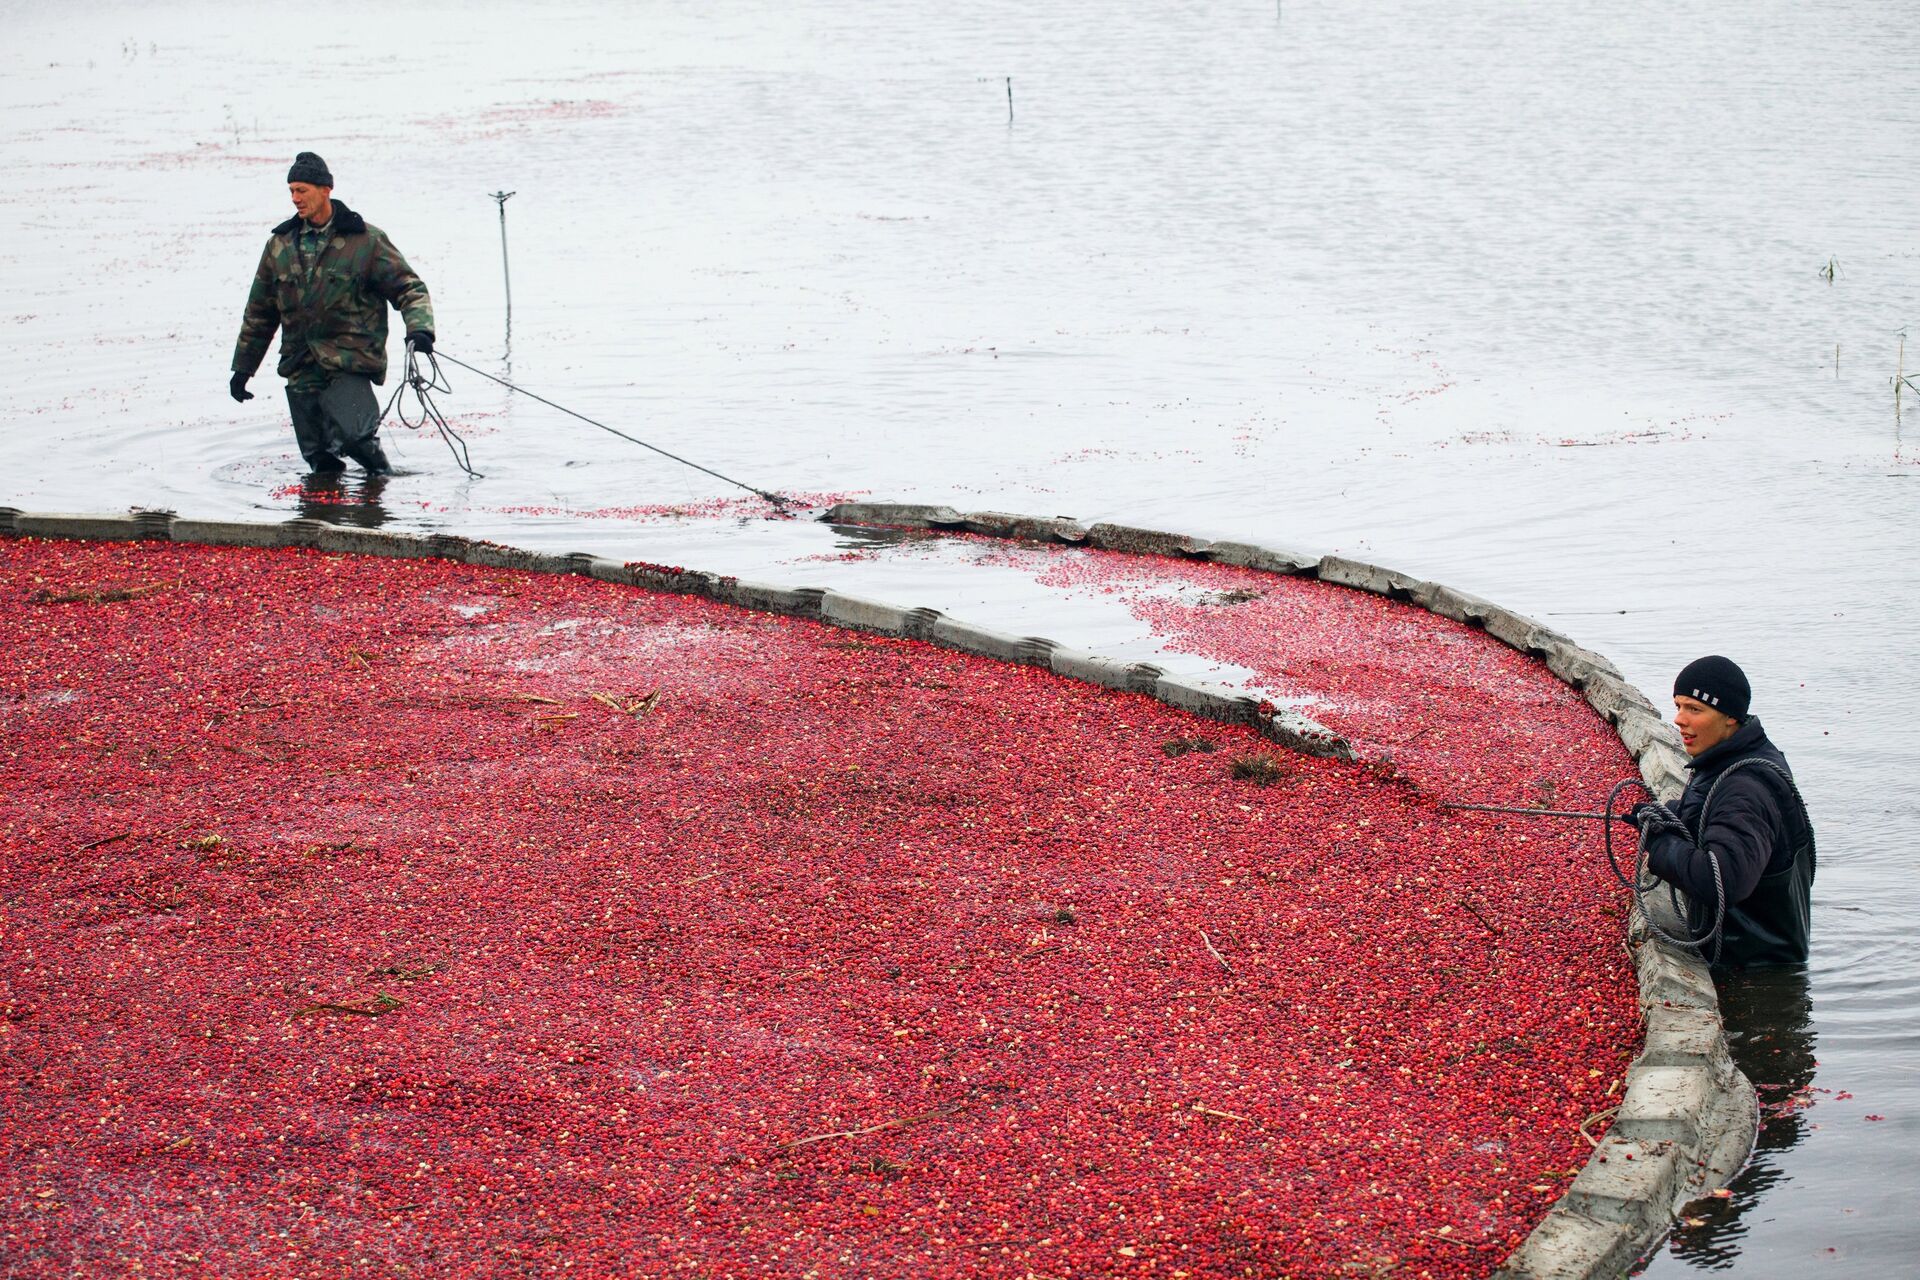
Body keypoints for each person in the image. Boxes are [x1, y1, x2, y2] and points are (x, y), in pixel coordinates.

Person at [229, 152, 434, 475]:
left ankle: (380, 489)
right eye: (291, 191)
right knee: (319, 459)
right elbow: (259, 312)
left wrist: (420, 330)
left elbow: (410, 288)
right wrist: (243, 368)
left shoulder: (366, 240)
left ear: (326, 189)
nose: (295, 198)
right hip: (300, 362)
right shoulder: (279, 245)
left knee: (356, 439)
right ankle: (324, 521)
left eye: (302, 190)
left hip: (349, 359)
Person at [1630, 656, 1814, 966]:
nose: (1679, 719)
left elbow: (1723, 880)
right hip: (1750, 953)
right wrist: (1671, 818)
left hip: (1754, 970)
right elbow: (1715, 820)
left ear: (1730, 717)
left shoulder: (1746, 788)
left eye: (1694, 709)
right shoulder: (1730, 758)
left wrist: (1660, 846)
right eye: (1678, 706)